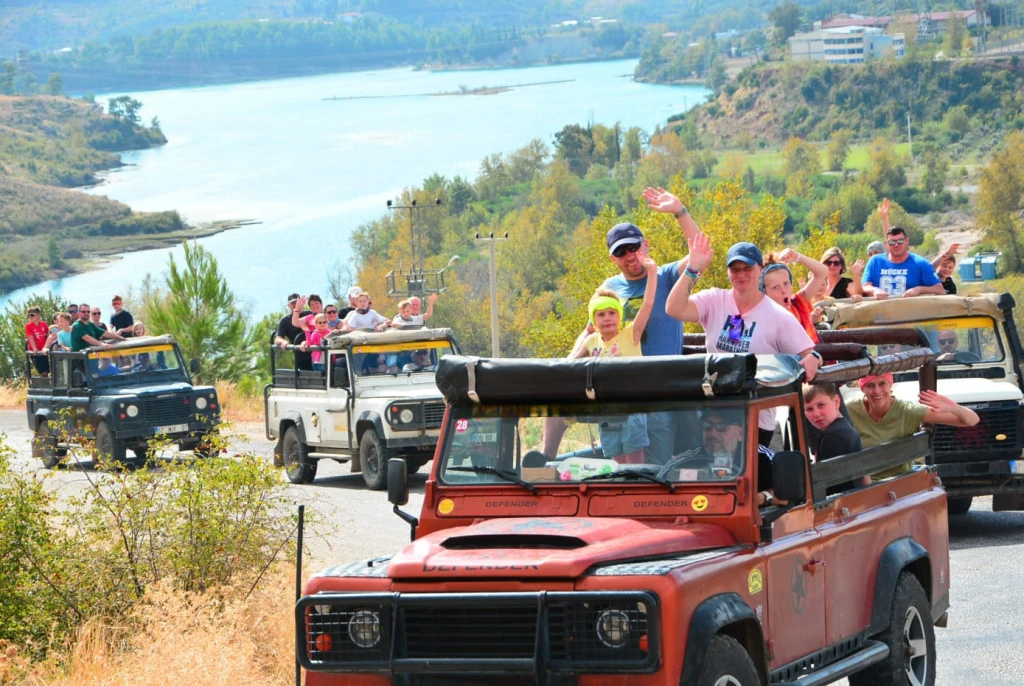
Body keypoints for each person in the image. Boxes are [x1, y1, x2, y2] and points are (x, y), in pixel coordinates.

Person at [665, 234, 822, 447]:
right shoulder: (714, 300)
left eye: (747, 268)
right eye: (735, 269)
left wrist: (813, 357)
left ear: (760, 269)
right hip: (715, 415)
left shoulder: (778, 316)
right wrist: (692, 268)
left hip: (755, 418)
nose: (741, 274)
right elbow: (673, 309)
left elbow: (810, 353)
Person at [568, 270, 657, 463]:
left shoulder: (631, 334)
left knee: (634, 460)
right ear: (593, 320)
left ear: (619, 315)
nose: (607, 318)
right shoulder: (591, 341)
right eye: (601, 314)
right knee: (616, 457)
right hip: (606, 410)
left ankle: (636, 483)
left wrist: (652, 272)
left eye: (612, 313)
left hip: (631, 406)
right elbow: (572, 364)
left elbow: (648, 304)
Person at [848, 372, 979, 479]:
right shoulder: (850, 409)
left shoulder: (907, 411)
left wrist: (953, 407)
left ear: (890, 385)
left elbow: (972, 420)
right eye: (870, 385)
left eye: (882, 384)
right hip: (859, 483)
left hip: (898, 481)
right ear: (862, 388)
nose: (877, 391)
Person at [657, 408, 776, 505]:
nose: (712, 433)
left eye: (722, 427)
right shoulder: (686, 461)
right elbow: (659, 485)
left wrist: (764, 497)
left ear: (740, 433)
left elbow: (785, 493)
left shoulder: (762, 458)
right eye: (707, 426)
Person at [861, 199, 944, 299]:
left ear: (907, 241)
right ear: (886, 244)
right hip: (882, 308)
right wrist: (875, 290)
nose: (896, 245)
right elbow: (865, 286)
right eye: (892, 242)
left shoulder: (920, 263)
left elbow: (939, 289)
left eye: (900, 241)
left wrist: (918, 289)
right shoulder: (875, 261)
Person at [803, 383, 866, 494]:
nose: (816, 414)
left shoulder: (832, 437)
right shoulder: (844, 428)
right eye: (809, 409)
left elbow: (824, 487)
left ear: (836, 402)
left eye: (821, 405)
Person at [760, 248, 829, 341]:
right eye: (776, 287)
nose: (784, 290)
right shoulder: (765, 318)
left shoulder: (797, 302)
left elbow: (822, 272)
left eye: (786, 283)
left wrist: (797, 257)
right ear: (765, 292)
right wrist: (811, 320)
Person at [274, 292, 313, 371]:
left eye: (298, 302)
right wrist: (284, 342)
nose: (296, 304)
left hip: (316, 353)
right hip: (301, 358)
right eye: (293, 303)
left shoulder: (309, 314)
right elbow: (277, 338)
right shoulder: (285, 320)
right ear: (289, 305)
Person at [25, 306, 51, 376]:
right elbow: (30, 337)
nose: (30, 317)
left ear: (38, 315)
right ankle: (43, 382)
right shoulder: (28, 326)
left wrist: (48, 346)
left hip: (44, 350)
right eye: (28, 315)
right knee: (43, 372)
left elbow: (48, 335)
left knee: (48, 371)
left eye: (32, 315)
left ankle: (47, 382)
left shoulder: (44, 324)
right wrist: (34, 348)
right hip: (35, 352)